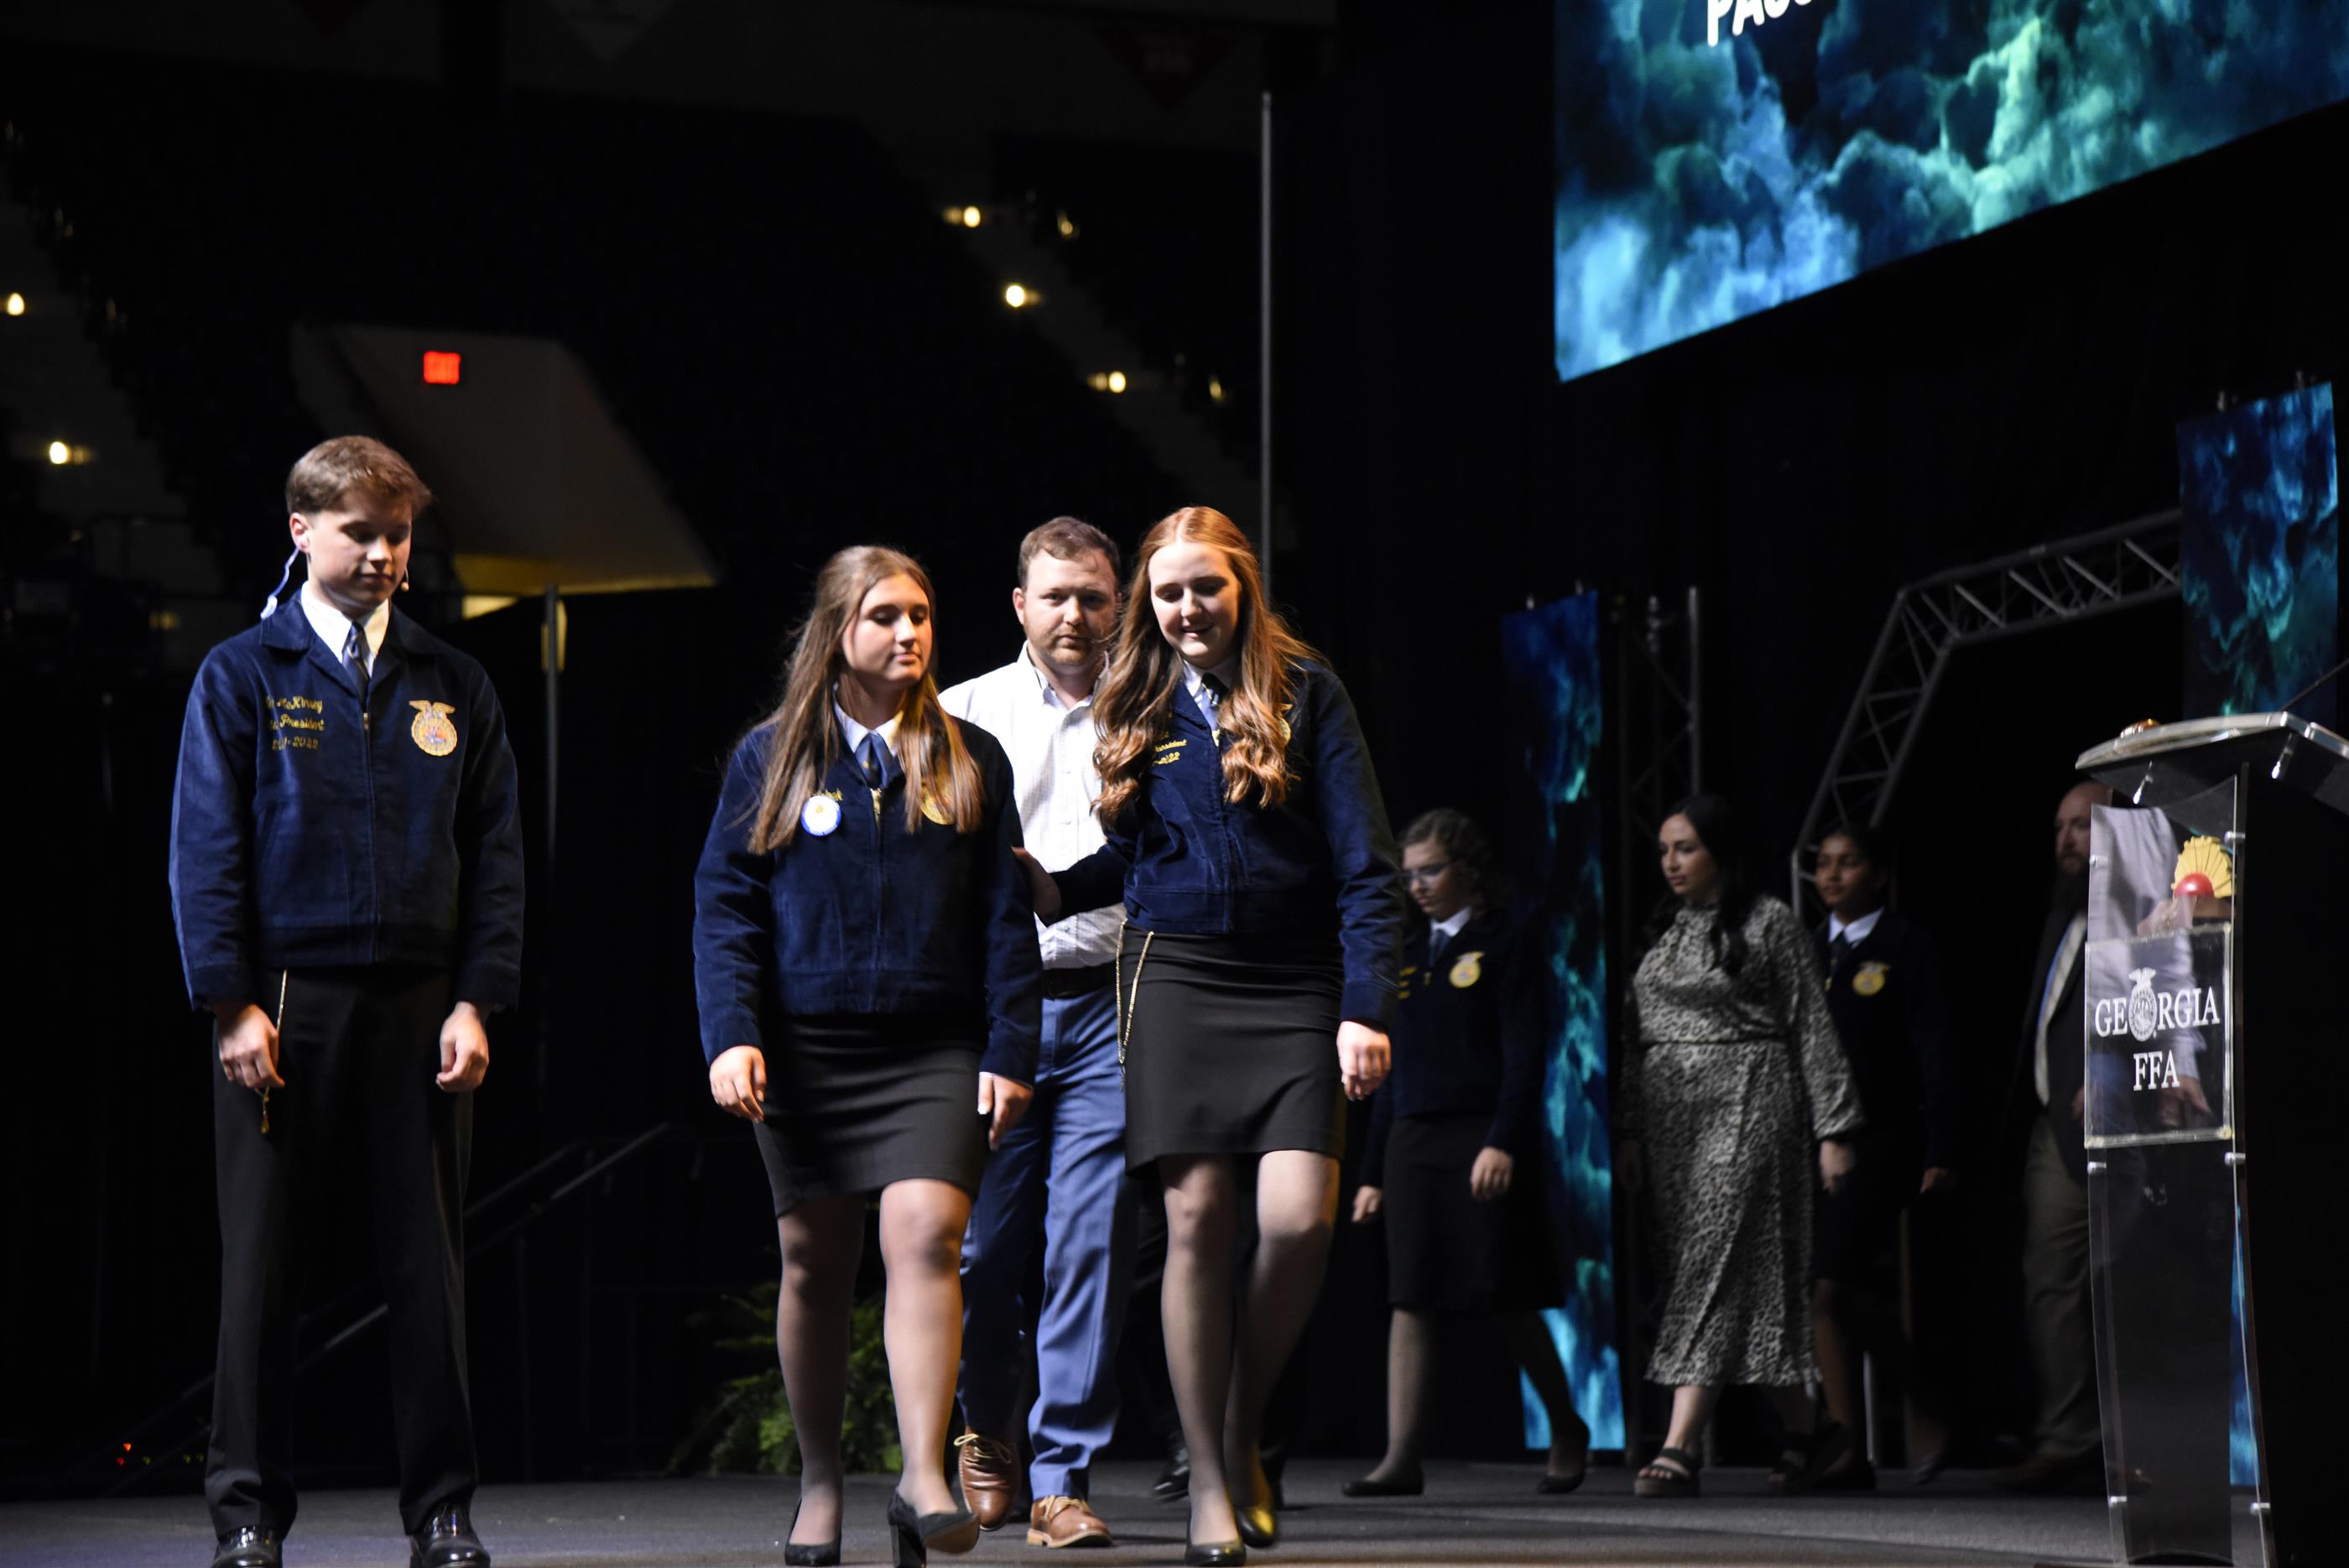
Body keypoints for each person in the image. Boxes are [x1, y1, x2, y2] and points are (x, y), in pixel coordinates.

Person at [1024, 505, 1403, 1566]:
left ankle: (1241, 1425)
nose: (1188, 609)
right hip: (1176, 975)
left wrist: (1367, 1005)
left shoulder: (1307, 691)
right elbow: (1142, 857)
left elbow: (1368, 866)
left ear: (1243, 589)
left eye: (1206, 588)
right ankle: (1207, 1480)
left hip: (1296, 981)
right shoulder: (1137, 698)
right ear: (1147, 604)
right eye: (1168, 593)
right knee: (1193, 1222)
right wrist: (1056, 889)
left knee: (1298, 1223)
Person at [169, 436, 523, 1568]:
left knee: (427, 1269)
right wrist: (230, 1002)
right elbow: (204, 849)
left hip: (420, 1007)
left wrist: (476, 1001)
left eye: (397, 535)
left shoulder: (453, 682)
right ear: (302, 530)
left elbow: (498, 858)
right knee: (261, 1269)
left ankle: (444, 1512)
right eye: (359, 532)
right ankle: (245, 1512)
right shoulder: (244, 674)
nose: (381, 554)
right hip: (283, 1004)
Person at [693, 546, 1040, 1568]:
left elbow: (1004, 920)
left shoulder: (970, 758)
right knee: (815, 1262)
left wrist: (1011, 1048)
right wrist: (732, 1034)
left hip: (935, 1047)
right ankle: (820, 1484)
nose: (909, 633)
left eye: (921, 615)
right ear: (836, 630)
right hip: (804, 1052)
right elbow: (725, 908)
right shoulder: (771, 757)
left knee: (928, 1236)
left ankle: (924, 1475)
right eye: (885, 615)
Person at [937, 518, 1130, 1550]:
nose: (1074, 615)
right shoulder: (962, 711)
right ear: (1020, 604)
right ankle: (986, 1432)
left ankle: (1062, 1476)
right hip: (997, 1011)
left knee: (1089, 1243)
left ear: (1118, 602)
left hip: (1113, 1002)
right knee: (982, 1251)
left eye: (1092, 596)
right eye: (1054, 596)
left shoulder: (1149, 710)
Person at [1620, 794, 1862, 1498]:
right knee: (1735, 1278)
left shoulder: (1770, 922)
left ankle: (1680, 1445)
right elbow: (1635, 1040)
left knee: (1712, 1265)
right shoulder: (1663, 930)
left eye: (1685, 848)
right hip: (1673, 1125)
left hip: (1752, 1102)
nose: (1670, 862)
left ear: (1720, 852)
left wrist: (1835, 1128)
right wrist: (1629, 1128)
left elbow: (1811, 1023)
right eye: (1664, 850)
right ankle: (1815, 1427)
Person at [1344, 808, 1591, 1497]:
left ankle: (1567, 1424)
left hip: (1482, 1133)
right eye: (1409, 874)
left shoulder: (1508, 939)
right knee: (1410, 1293)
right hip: (1412, 1137)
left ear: (1468, 869)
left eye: (1430, 870)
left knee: (1502, 1291)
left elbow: (1526, 1055)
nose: (1417, 885)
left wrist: (1503, 1140)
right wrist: (1372, 1173)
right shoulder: (1406, 954)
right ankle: (1401, 1457)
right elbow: (1390, 1070)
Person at [1800, 821, 1964, 1490]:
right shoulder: (1809, 949)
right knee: (1833, 1288)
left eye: (1848, 862)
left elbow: (1935, 1047)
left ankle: (1919, 1402)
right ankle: (1847, 1447)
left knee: (1831, 1285)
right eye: (1823, 863)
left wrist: (1943, 1143)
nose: (1831, 875)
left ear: (1878, 873)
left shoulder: (1904, 944)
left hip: (1883, 1138)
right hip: (1815, 1141)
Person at [1989, 780, 2111, 1494]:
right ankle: (2070, 1436)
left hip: (2123, 1126)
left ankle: (2119, 1440)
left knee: (2108, 1283)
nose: (2066, 839)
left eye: (2082, 825)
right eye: (2060, 826)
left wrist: (2113, 1074)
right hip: (2053, 1127)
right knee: (2052, 1281)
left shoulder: (2143, 909)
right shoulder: (2063, 915)